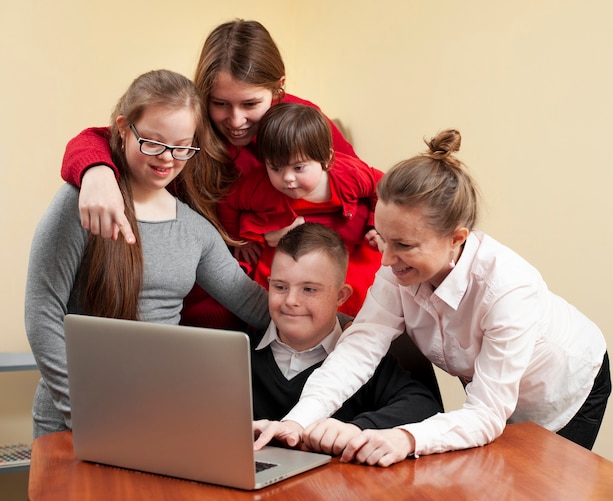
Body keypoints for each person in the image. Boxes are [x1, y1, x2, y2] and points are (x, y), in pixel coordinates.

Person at [253, 129, 611, 466]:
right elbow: (358, 349)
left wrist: (405, 438)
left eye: (404, 245)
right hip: (496, 393)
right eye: (385, 239)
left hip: (568, 388)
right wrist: (298, 422)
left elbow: (486, 414)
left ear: (456, 237)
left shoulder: (508, 290)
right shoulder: (398, 271)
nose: (387, 259)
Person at [59, 19, 363, 329]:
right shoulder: (188, 124)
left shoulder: (302, 122)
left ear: (278, 89)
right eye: (220, 104)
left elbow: (360, 183)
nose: (236, 120)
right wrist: (96, 173)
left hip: (279, 292)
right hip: (209, 301)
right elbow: (99, 139)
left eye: (250, 103)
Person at [25, 69, 270, 438]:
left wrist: (352, 327)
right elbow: (42, 315)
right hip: (72, 420)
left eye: (181, 146)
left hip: (156, 416)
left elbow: (252, 303)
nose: (167, 160)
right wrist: (84, 413)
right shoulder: (84, 202)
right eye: (153, 143)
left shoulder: (195, 230)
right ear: (123, 129)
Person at [249, 222, 442, 454]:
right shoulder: (239, 352)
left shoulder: (366, 359)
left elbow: (424, 405)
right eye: (280, 287)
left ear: (341, 296)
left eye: (309, 289)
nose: (291, 300)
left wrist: (357, 430)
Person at [219, 103, 383, 316]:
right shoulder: (260, 186)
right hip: (288, 248)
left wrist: (374, 225)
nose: (287, 178)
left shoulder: (347, 175)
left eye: (298, 168)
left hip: (345, 248)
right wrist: (239, 240)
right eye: (275, 168)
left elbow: (383, 188)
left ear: (327, 160)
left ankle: (351, 327)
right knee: (273, 286)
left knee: (360, 286)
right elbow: (228, 204)